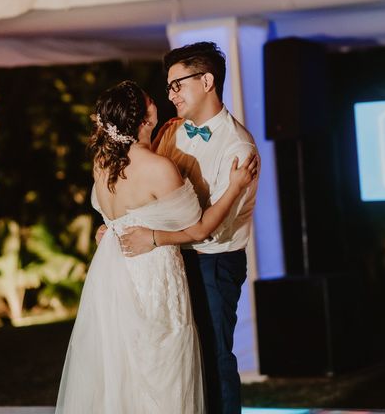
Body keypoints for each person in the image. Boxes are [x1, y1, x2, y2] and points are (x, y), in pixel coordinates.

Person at [54, 80, 257, 414]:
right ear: (143, 121)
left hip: (114, 275)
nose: (160, 100)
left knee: (126, 365)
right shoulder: (159, 168)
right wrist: (235, 187)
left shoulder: (102, 163)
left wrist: (107, 228)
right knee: (162, 360)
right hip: (153, 274)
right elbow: (200, 228)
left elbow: (113, 215)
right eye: (151, 101)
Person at [120, 42, 260, 414]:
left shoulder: (238, 147)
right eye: (169, 87)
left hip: (213, 262)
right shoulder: (171, 131)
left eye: (177, 85)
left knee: (214, 356)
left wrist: (151, 237)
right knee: (178, 354)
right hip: (171, 261)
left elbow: (211, 229)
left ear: (207, 81)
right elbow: (151, 195)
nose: (171, 94)